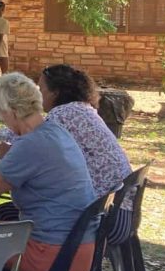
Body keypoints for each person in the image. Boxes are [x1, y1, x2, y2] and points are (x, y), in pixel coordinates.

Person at [0, 72, 97, 271]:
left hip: (54, 255)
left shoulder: (32, 145)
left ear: (10, 111)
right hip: (78, 247)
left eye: (0, 113)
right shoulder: (53, 131)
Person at [38, 65, 133, 242]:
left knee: (12, 214)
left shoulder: (62, 114)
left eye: (41, 89)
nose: (38, 95)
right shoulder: (84, 109)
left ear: (55, 92)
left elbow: (32, 136)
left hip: (103, 220)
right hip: (122, 214)